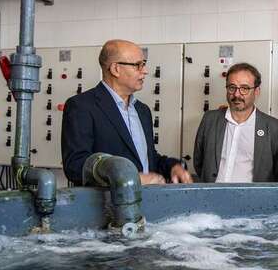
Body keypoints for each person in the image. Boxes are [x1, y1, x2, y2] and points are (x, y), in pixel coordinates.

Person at [61, 39, 192, 185]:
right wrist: (127, 178)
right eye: (138, 65)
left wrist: (173, 167)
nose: (145, 71)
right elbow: (75, 166)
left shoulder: (142, 110)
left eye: (144, 64)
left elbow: (148, 159)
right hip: (109, 199)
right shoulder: (81, 106)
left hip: (145, 198)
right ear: (115, 69)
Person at [193, 63, 278, 182]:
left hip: (252, 194)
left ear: (257, 91)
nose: (237, 94)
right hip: (212, 192)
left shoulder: (275, 129)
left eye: (244, 88)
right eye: (232, 87)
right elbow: (199, 162)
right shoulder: (209, 120)